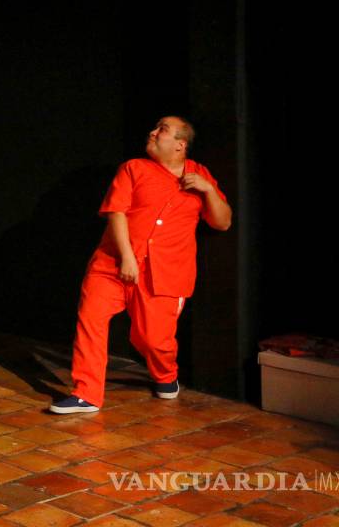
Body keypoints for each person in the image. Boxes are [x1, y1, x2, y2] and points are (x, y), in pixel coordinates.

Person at [51, 116, 232, 414]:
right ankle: (87, 393)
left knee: (151, 339)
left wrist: (208, 190)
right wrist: (127, 257)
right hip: (113, 264)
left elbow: (222, 222)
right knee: (91, 320)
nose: (152, 132)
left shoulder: (200, 175)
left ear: (180, 144)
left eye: (162, 129)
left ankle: (165, 374)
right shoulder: (133, 168)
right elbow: (116, 212)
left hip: (165, 273)